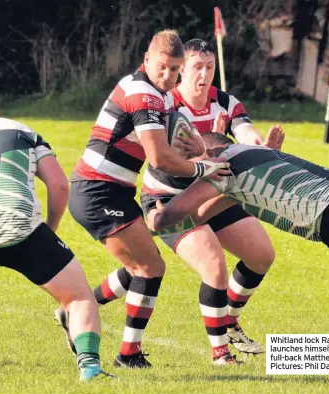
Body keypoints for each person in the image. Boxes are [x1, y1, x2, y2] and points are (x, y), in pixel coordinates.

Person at [94, 38, 285, 365]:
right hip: (168, 200)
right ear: (182, 70)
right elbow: (160, 157)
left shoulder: (224, 102)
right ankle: (221, 355)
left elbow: (246, 133)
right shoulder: (165, 105)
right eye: (197, 67)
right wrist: (202, 156)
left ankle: (230, 320)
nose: (205, 74)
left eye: (210, 68)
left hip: (214, 194)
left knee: (261, 255)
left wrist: (262, 147)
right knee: (208, 265)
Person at [58, 30, 229, 369]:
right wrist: (203, 168)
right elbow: (160, 159)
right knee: (150, 267)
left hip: (114, 190)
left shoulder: (162, 96)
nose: (168, 76)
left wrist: (198, 147)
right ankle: (128, 354)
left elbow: (169, 142)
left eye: (175, 69)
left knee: (137, 265)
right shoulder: (143, 94)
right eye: (162, 67)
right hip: (96, 190)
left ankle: (75, 310)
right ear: (147, 60)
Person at [149, 133, 329, 313]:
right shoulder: (245, 157)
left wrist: (156, 216)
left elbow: (171, 216)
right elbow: (200, 215)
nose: (196, 171)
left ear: (212, 153)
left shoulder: (221, 166)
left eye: (197, 162)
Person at [0, 84, 112, 382]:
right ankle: (90, 370)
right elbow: (58, 185)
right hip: (21, 228)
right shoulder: (21, 129)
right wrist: (50, 229)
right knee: (78, 296)